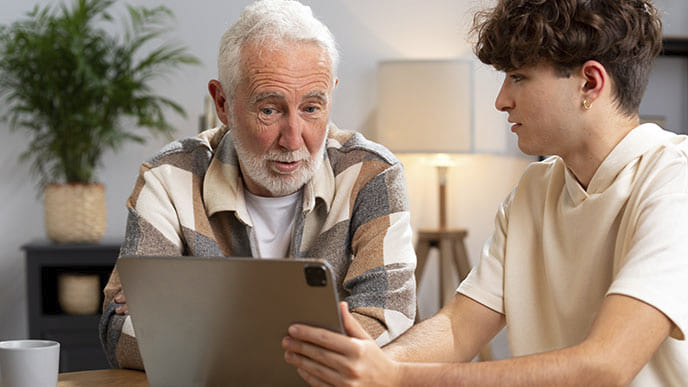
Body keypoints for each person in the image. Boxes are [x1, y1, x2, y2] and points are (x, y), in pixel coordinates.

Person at [282, 0, 688, 385]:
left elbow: (606, 365)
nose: (501, 100)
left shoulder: (674, 181)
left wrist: (396, 378)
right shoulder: (534, 189)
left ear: (590, 83)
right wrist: (363, 366)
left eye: (518, 78)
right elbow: (460, 326)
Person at [99, 0, 417, 370]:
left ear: (331, 94)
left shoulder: (372, 174)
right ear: (223, 102)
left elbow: (387, 320)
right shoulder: (168, 176)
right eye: (270, 110)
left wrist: (191, 323)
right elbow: (120, 330)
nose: (294, 140)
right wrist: (310, 347)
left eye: (312, 108)